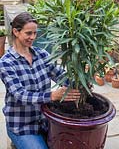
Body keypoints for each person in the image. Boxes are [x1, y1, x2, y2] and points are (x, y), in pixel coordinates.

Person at [0, 12, 80, 149]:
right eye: (28, 33)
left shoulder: (41, 54)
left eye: (35, 33)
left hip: (45, 120)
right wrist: (52, 96)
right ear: (16, 32)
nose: (33, 37)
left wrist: (79, 81)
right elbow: (20, 95)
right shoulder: (6, 63)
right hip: (22, 125)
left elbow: (59, 74)